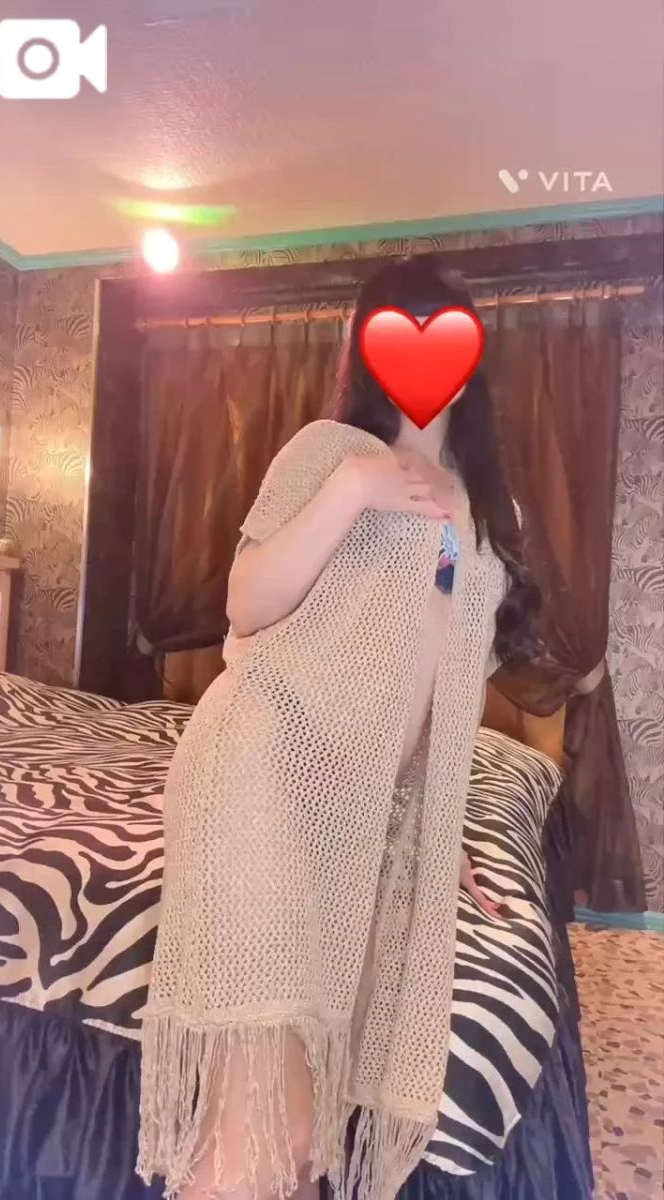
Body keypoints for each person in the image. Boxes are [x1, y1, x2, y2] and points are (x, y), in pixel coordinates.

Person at [137, 256, 541, 1200]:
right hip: (263, 769)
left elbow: (438, 678)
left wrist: (439, 824)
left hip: (362, 810)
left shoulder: (489, 509)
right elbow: (246, 605)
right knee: (263, 1124)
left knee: (305, 1122)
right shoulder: (328, 453)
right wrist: (354, 488)